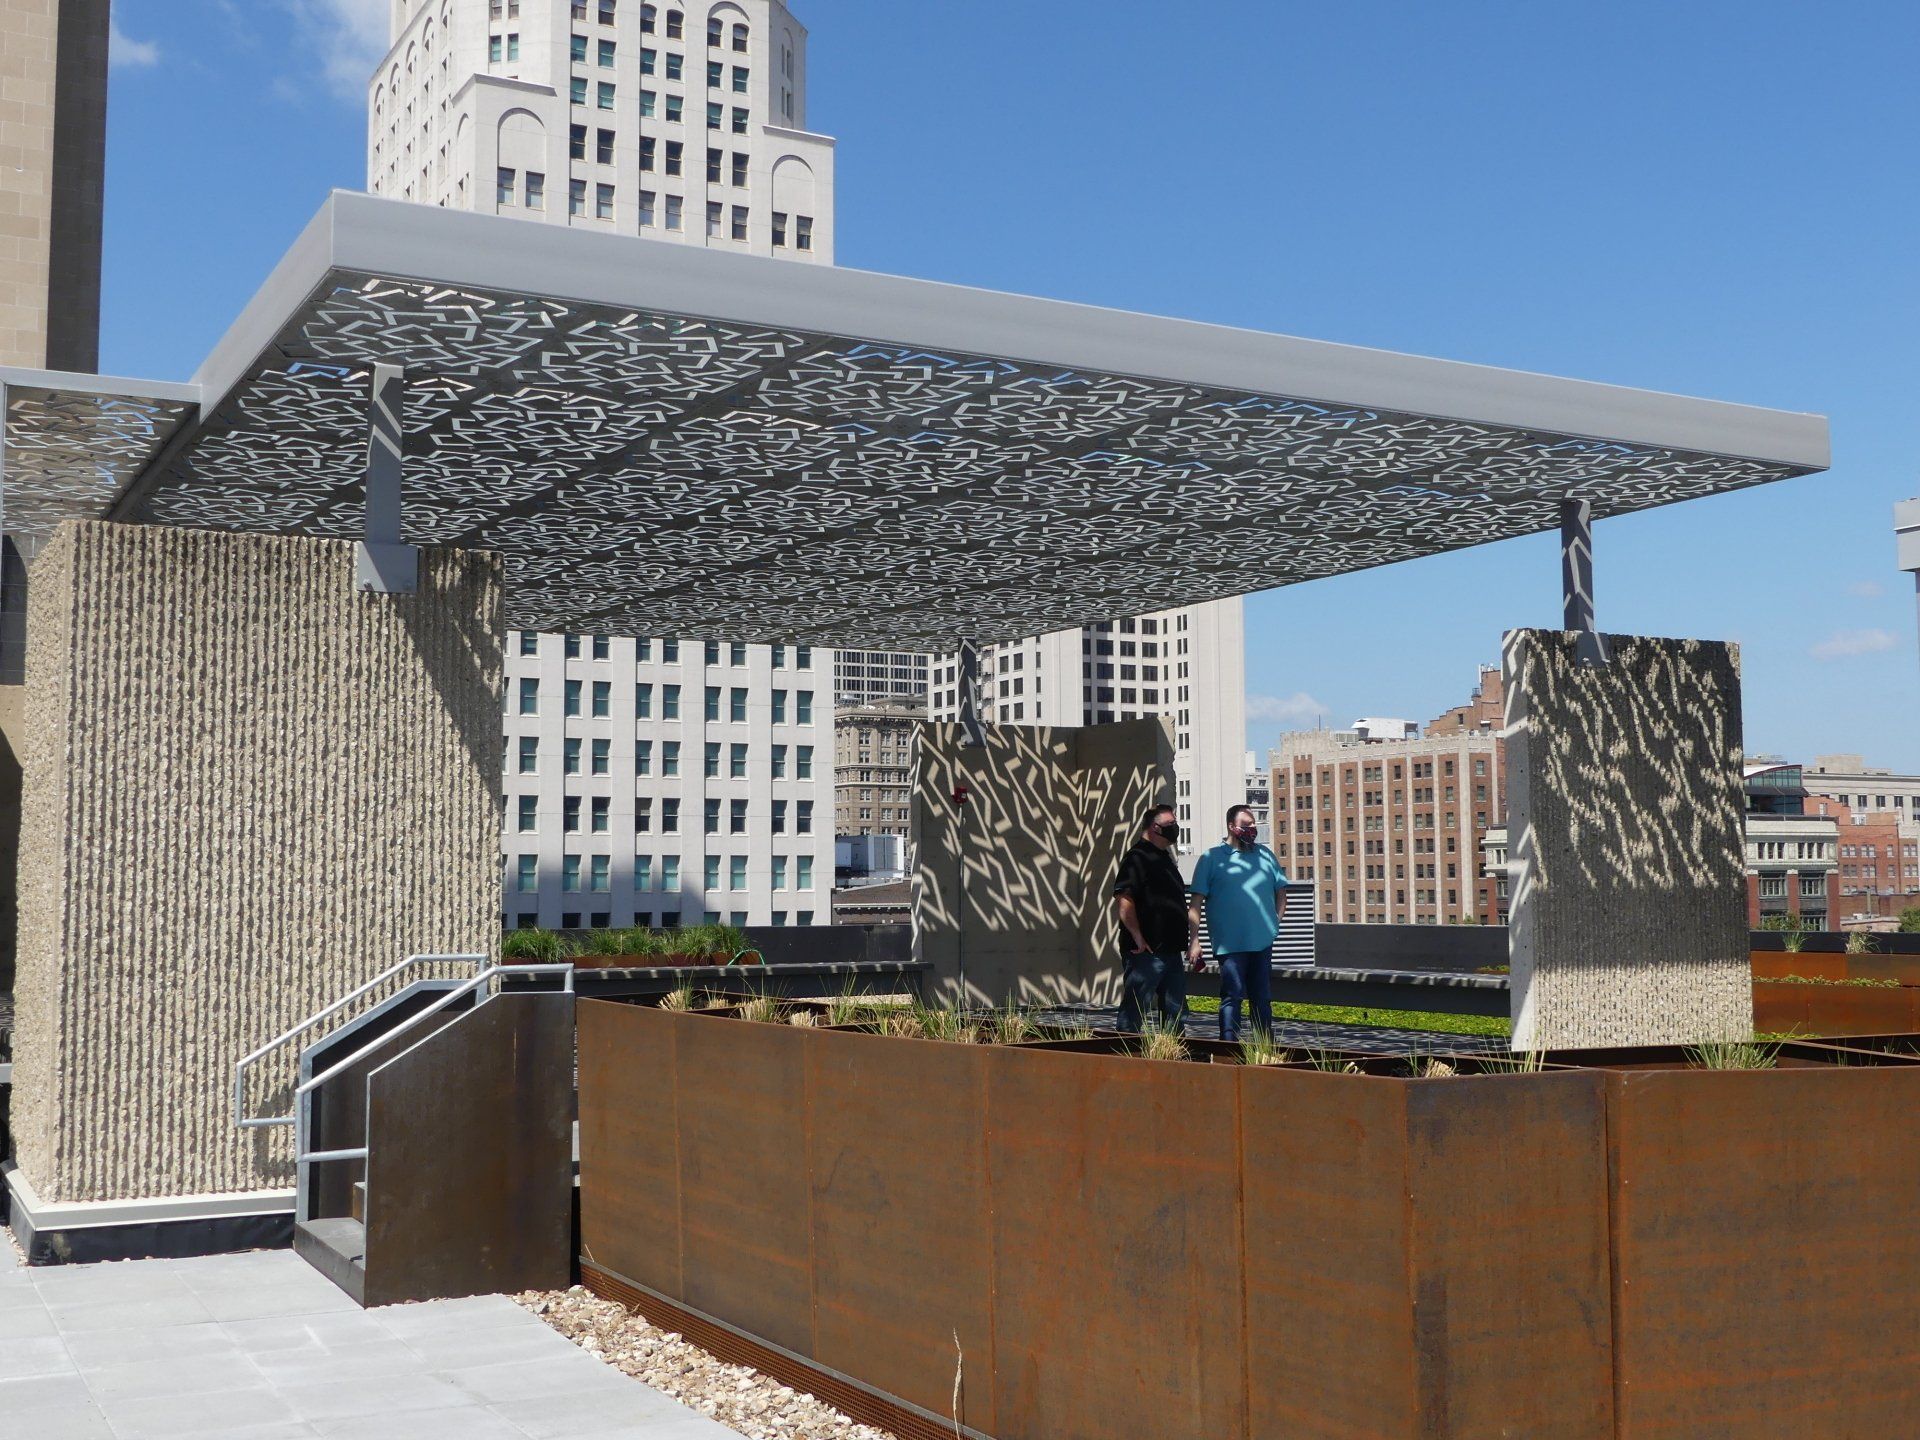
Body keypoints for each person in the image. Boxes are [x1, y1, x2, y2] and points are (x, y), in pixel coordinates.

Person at [1188, 804, 1288, 1043]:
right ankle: (1228, 1047)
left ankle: (1264, 1047)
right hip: (1229, 945)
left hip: (1262, 943)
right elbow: (1195, 903)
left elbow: (1281, 892)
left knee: (1261, 998)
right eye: (1246, 824)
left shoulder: (1266, 855)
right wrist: (1194, 940)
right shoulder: (1211, 858)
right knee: (1231, 997)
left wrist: (1274, 925)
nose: (1252, 828)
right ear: (1231, 827)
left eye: (1254, 823)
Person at [1111, 803, 1190, 1033]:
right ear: (1155, 827)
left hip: (1171, 950)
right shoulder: (1137, 857)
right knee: (1135, 1009)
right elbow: (1124, 898)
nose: (1175, 827)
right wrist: (1138, 937)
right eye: (1170, 823)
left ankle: (1172, 1052)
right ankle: (1125, 1050)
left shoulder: (1164, 857)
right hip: (1146, 952)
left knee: (1175, 1012)